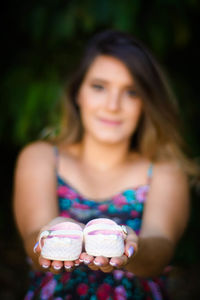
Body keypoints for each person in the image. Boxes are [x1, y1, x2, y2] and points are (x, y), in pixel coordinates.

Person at [13, 29, 193, 300]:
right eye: (99, 86)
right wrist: (51, 234)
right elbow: (32, 243)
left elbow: (161, 249)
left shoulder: (165, 170)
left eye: (131, 92)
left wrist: (133, 248)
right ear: (78, 93)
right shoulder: (41, 158)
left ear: (145, 103)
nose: (112, 105)